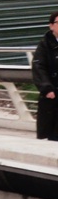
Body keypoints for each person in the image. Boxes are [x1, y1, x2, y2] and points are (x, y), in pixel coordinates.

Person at [32, 10, 58, 141]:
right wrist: (47, 88)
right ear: (51, 25)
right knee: (53, 135)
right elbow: (38, 67)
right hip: (53, 95)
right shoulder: (44, 45)